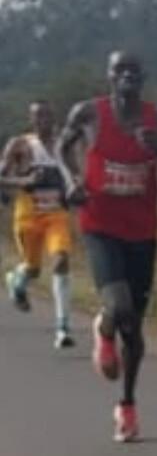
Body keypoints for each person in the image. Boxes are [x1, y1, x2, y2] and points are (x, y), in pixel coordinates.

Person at [56, 51, 157, 441]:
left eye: (134, 70)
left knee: (134, 328)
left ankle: (127, 405)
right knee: (118, 306)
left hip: (141, 233)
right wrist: (71, 181)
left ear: (144, 77)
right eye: (119, 70)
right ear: (108, 76)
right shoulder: (89, 113)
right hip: (99, 225)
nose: (127, 76)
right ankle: (105, 329)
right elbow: (62, 148)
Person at [2, 101, 76, 347]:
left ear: (54, 118)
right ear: (31, 119)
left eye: (47, 115)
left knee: (61, 260)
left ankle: (62, 328)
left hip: (56, 214)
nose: (43, 120)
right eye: (37, 116)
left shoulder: (62, 146)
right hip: (28, 216)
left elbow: (75, 173)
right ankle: (16, 280)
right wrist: (24, 181)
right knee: (33, 269)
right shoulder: (19, 144)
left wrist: (75, 187)